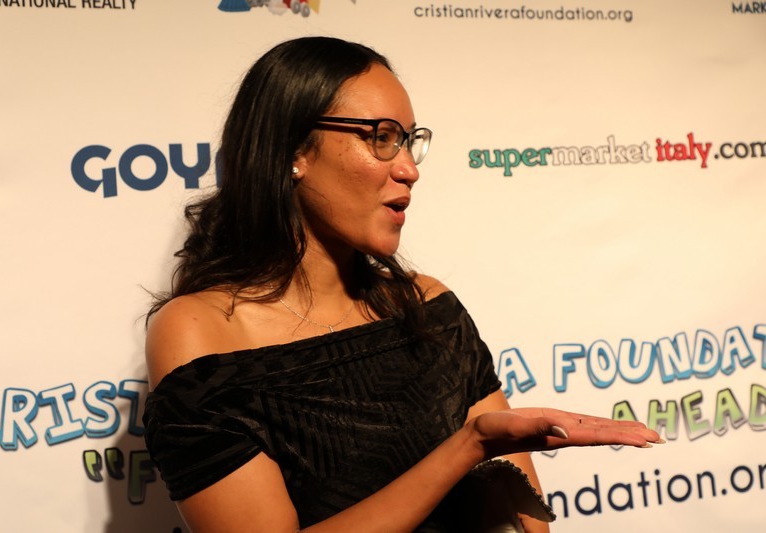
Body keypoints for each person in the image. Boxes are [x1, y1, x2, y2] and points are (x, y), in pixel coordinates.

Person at [142, 36, 662, 533]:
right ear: (291, 150)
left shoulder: (428, 306)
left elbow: (522, 514)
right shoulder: (200, 333)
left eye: (409, 141)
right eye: (381, 137)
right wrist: (469, 446)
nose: (409, 169)